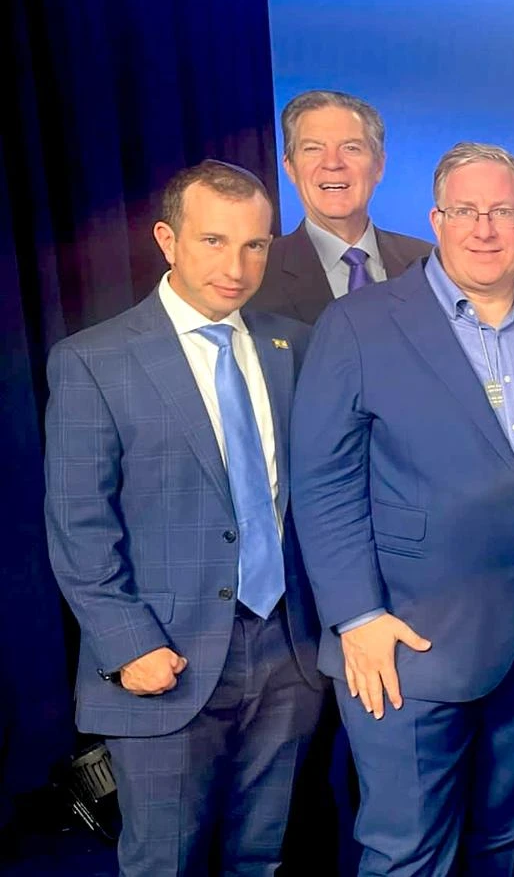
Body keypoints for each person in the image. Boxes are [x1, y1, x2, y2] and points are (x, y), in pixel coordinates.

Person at [290, 142, 514, 875]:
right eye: (465, 211)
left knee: (508, 841)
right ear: (436, 219)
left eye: (502, 211)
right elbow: (322, 483)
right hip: (405, 645)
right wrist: (358, 619)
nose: (484, 229)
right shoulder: (360, 324)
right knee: (407, 851)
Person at [43, 160, 325, 874]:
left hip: (283, 652)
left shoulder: (292, 345)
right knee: (164, 861)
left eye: (255, 245)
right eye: (213, 241)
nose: (236, 265)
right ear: (168, 239)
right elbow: (80, 526)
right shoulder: (94, 361)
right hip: (164, 656)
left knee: (261, 857)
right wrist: (126, 643)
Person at [254, 90, 431, 322]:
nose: (333, 163)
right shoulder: (257, 273)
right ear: (289, 167)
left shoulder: (429, 264)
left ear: (378, 165)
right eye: (313, 148)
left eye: (351, 148)